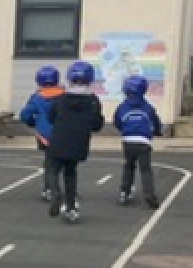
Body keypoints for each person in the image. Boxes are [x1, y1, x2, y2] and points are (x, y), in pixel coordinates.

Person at [46, 61, 105, 224]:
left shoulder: (61, 99)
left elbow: (51, 117)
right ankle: (71, 206)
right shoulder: (93, 101)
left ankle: (56, 192)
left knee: (51, 168)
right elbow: (97, 125)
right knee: (70, 172)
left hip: (59, 139)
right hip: (79, 143)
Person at [114, 74, 162, 208]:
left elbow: (117, 121)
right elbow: (155, 121)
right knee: (145, 169)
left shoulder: (122, 107)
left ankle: (124, 191)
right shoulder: (148, 107)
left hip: (128, 141)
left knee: (129, 166)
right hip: (143, 142)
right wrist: (157, 131)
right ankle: (149, 195)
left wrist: (124, 129)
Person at [19, 65, 65, 202]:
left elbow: (25, 115)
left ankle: (49, 188)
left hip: (44, 135)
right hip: (63, 133)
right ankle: (60, 188)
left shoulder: (37, 97)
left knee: (50, 162)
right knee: (62, 162)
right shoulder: (64, 96)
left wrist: (33, 123)